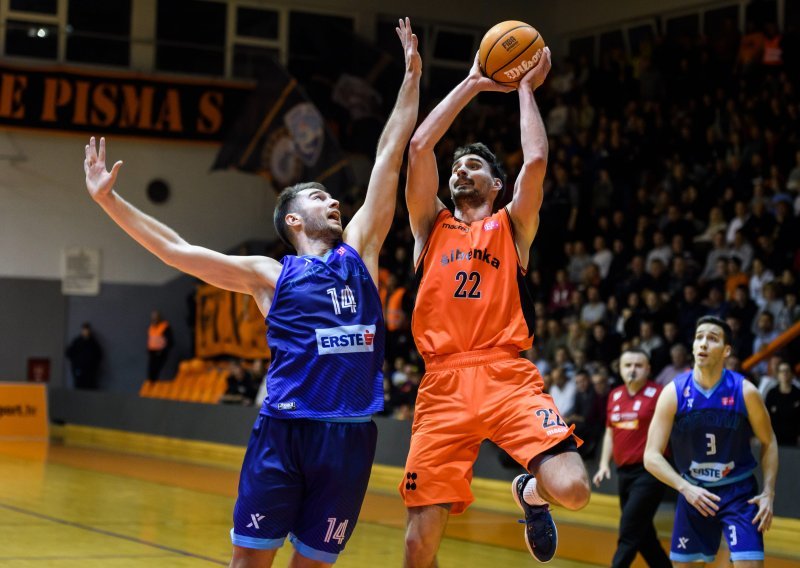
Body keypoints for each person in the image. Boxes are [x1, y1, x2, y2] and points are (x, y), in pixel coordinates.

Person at [83, 18, 421, 568]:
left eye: (334, 197)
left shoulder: (361, 249)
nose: (334, 201)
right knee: (249, 564)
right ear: (293, 218)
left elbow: (388, 156)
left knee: (312, 564)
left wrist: (409, 82)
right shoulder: (270, 273)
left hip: (351, 436)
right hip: (284, 432)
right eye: (319, 196)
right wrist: (110, 203)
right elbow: (176, 250)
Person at [400, 46, 590, 567]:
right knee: (418, 545)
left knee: (573, 490)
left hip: (508, 375)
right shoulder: (429, 226)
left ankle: (530, 494)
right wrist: (474, 82)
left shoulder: (512, 225)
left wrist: (525, 88)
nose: (461, 171)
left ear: (496, 184)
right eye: (458, 166)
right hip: (442, 385)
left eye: (475, 165)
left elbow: (536, 160)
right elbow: (419, 147)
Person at [644, 316, 779, 566]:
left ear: (726, 350)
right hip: (694, 491)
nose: (703, 344)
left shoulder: (745, 391)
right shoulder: (673, 392)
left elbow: (769, 441)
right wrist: (684, 487)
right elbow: (650, 456)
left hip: (738, 492)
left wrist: (769, 492)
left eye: (712, 339)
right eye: (699, 337)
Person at [592, 349, 671, 568]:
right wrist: (602, 464)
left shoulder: (660, 394)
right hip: (624, 473)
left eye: (638, 365)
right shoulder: (615, 394)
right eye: (628, 365)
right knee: (644, 536)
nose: (632, 370)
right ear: (620, 369)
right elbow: (610, 431)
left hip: (651, 472)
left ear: (648, 369)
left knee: (628, 530)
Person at [65, 322, 103, 390]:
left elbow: (99, 356)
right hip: (79, 370)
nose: (86, 331)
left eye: (87, 330)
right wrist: (76, 362)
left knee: (89, 389)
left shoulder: (93, 343)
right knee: (79, 388)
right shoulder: (77, 342)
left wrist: (94, 366)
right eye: (84, 329)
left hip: (90, 373)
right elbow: (68, 353)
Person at [147, 310, 173, 382]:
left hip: (161, 352)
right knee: (151, 368)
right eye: (153, 318)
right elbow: (151, 339)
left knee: (157, 367)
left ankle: (155, 381)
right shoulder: (151, 327)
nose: (154, 319)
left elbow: (169, 340)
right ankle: (151, 382)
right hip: (152, 352)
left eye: (156, 317)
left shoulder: (164, 327)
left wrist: (165, 349)